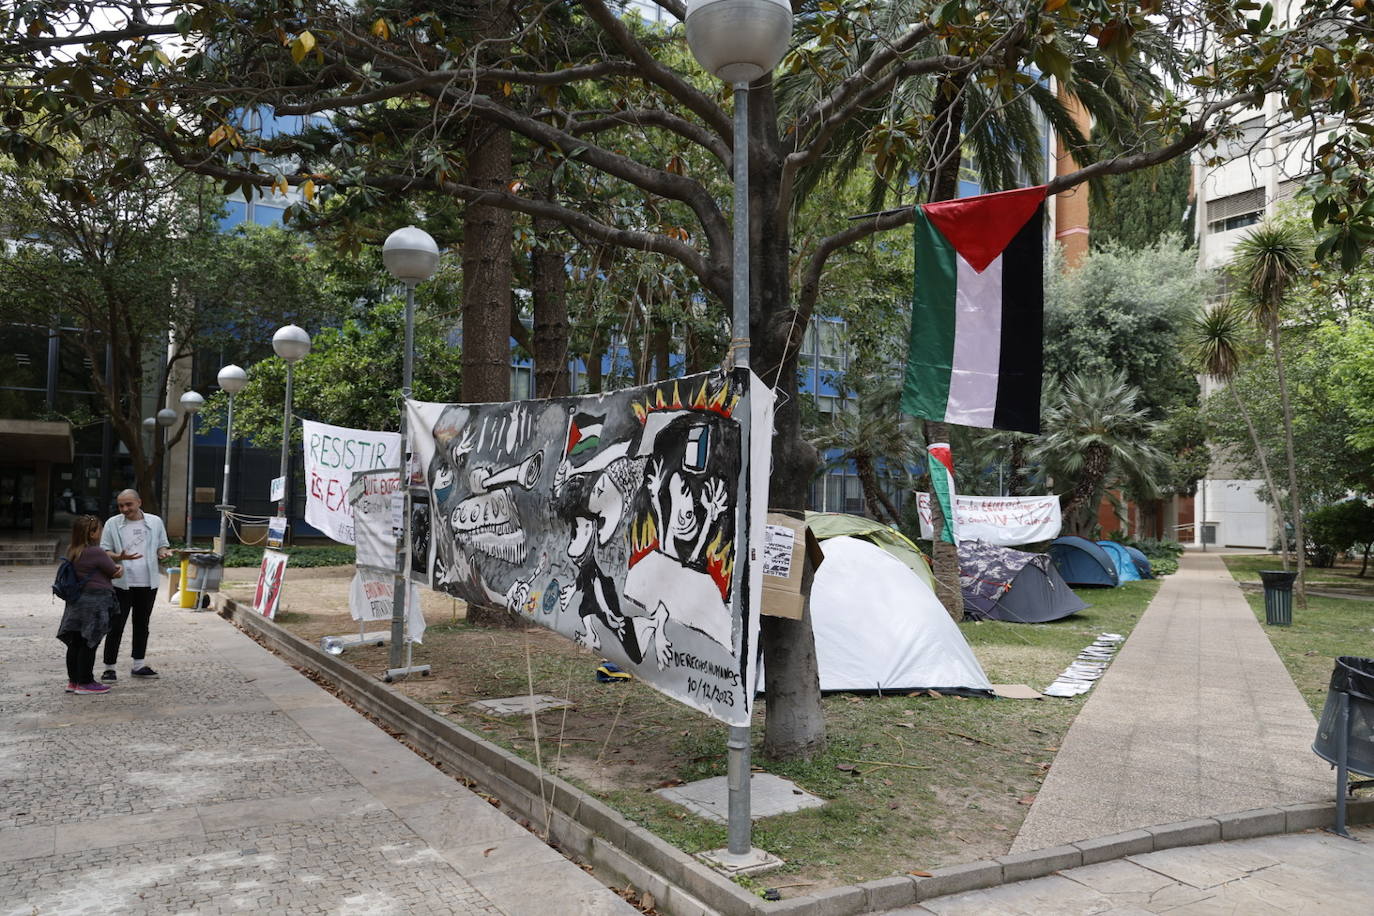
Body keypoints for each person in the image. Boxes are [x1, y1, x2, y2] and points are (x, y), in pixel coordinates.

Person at [99, 489, 171, 680]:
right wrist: (119, 556)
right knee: (116, 625)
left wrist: (163, 552)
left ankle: (138, 665)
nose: (124, 509)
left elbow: (162, 544)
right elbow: (104, 551)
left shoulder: (155, 522)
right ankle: (109, 668)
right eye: (121, 505)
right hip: (121, 582)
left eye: (128, 504)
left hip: (148, 582)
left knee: (142, 624)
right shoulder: (112, 524)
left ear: (139, 502)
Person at [57, 515, 121, 694]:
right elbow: (114, 572)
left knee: (75, 642)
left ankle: (73, 681)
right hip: (94, 603)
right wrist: (120, 569)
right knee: (89, 641)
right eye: (99, 530)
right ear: (92, 533)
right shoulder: (96, 552)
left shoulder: (72, 550)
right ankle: (86, 682)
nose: (101, 533)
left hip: (75, 602)